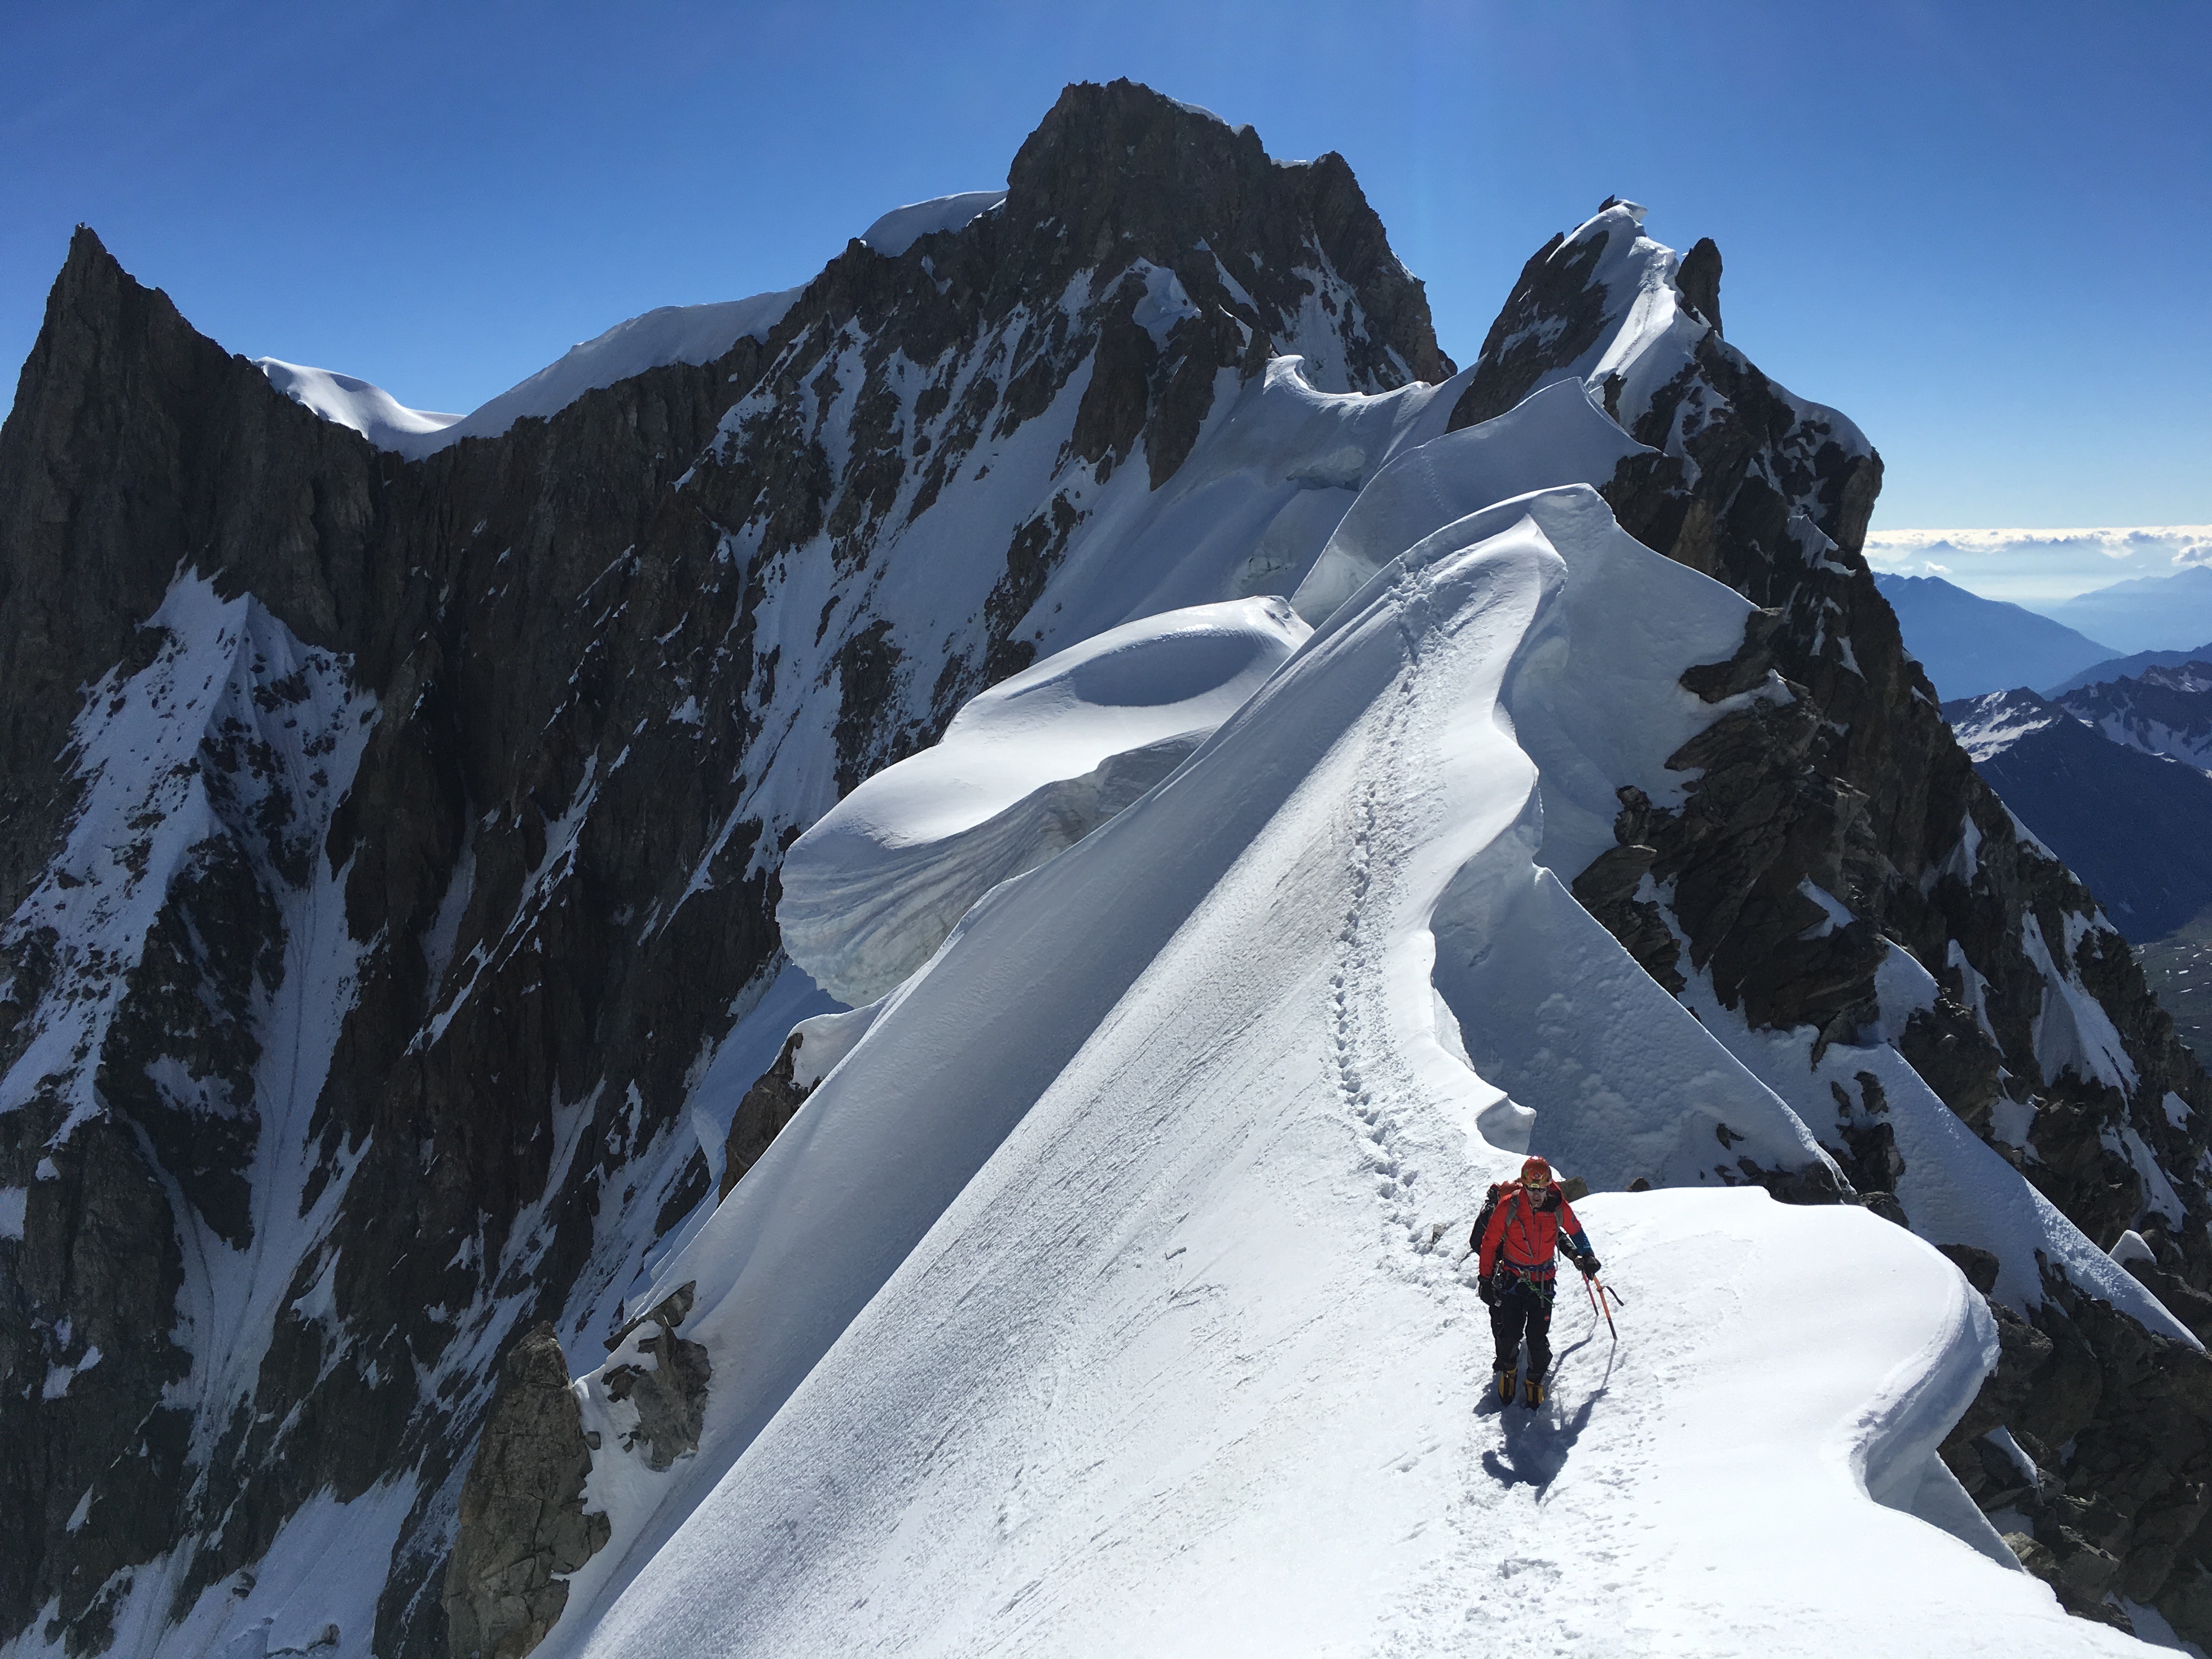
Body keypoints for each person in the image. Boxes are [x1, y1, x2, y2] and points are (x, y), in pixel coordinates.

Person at [1476, 1155, 1600, 1408]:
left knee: (1537, 1337)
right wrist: (1485, 1278)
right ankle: (1509, 1371)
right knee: (1509, 1334)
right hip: (1514, 1280)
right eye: (1532, 1189)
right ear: (1524, 1185)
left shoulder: (1557, 1207)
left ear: (1547, 1187)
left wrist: (1587, 1254)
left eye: (1541, 1189)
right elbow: (1489, 1243)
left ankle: (1534, 1380)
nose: (1536, 1195)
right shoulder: (1509, 1206)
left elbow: (1576, 1230)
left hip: (1541, 1283)